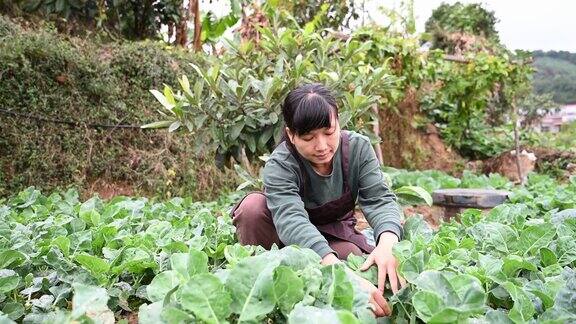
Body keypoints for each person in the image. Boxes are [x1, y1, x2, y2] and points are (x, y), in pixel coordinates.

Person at [230, 83, 405, 317]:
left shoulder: (358, 149)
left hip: (333, 236)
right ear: (291, 135)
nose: (321, 146)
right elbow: (292, 220)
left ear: (338, 123)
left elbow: (379, 199)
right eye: (309, 137)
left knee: (355, 259)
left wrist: (386, 244)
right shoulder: (280, 164)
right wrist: (336, 271)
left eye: (329, 132)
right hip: (281, 239)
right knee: (252, 208)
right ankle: (260, 286)